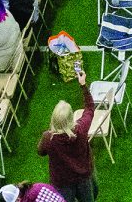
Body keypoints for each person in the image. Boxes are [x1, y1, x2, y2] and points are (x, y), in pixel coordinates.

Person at [37, 64, 97, 202]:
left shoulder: (48, 137)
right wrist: (83, 85)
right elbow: (90, 108)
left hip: (62, 182)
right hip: (84, 177)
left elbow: (40, 152)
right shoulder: (81, 128)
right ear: (71, 117)